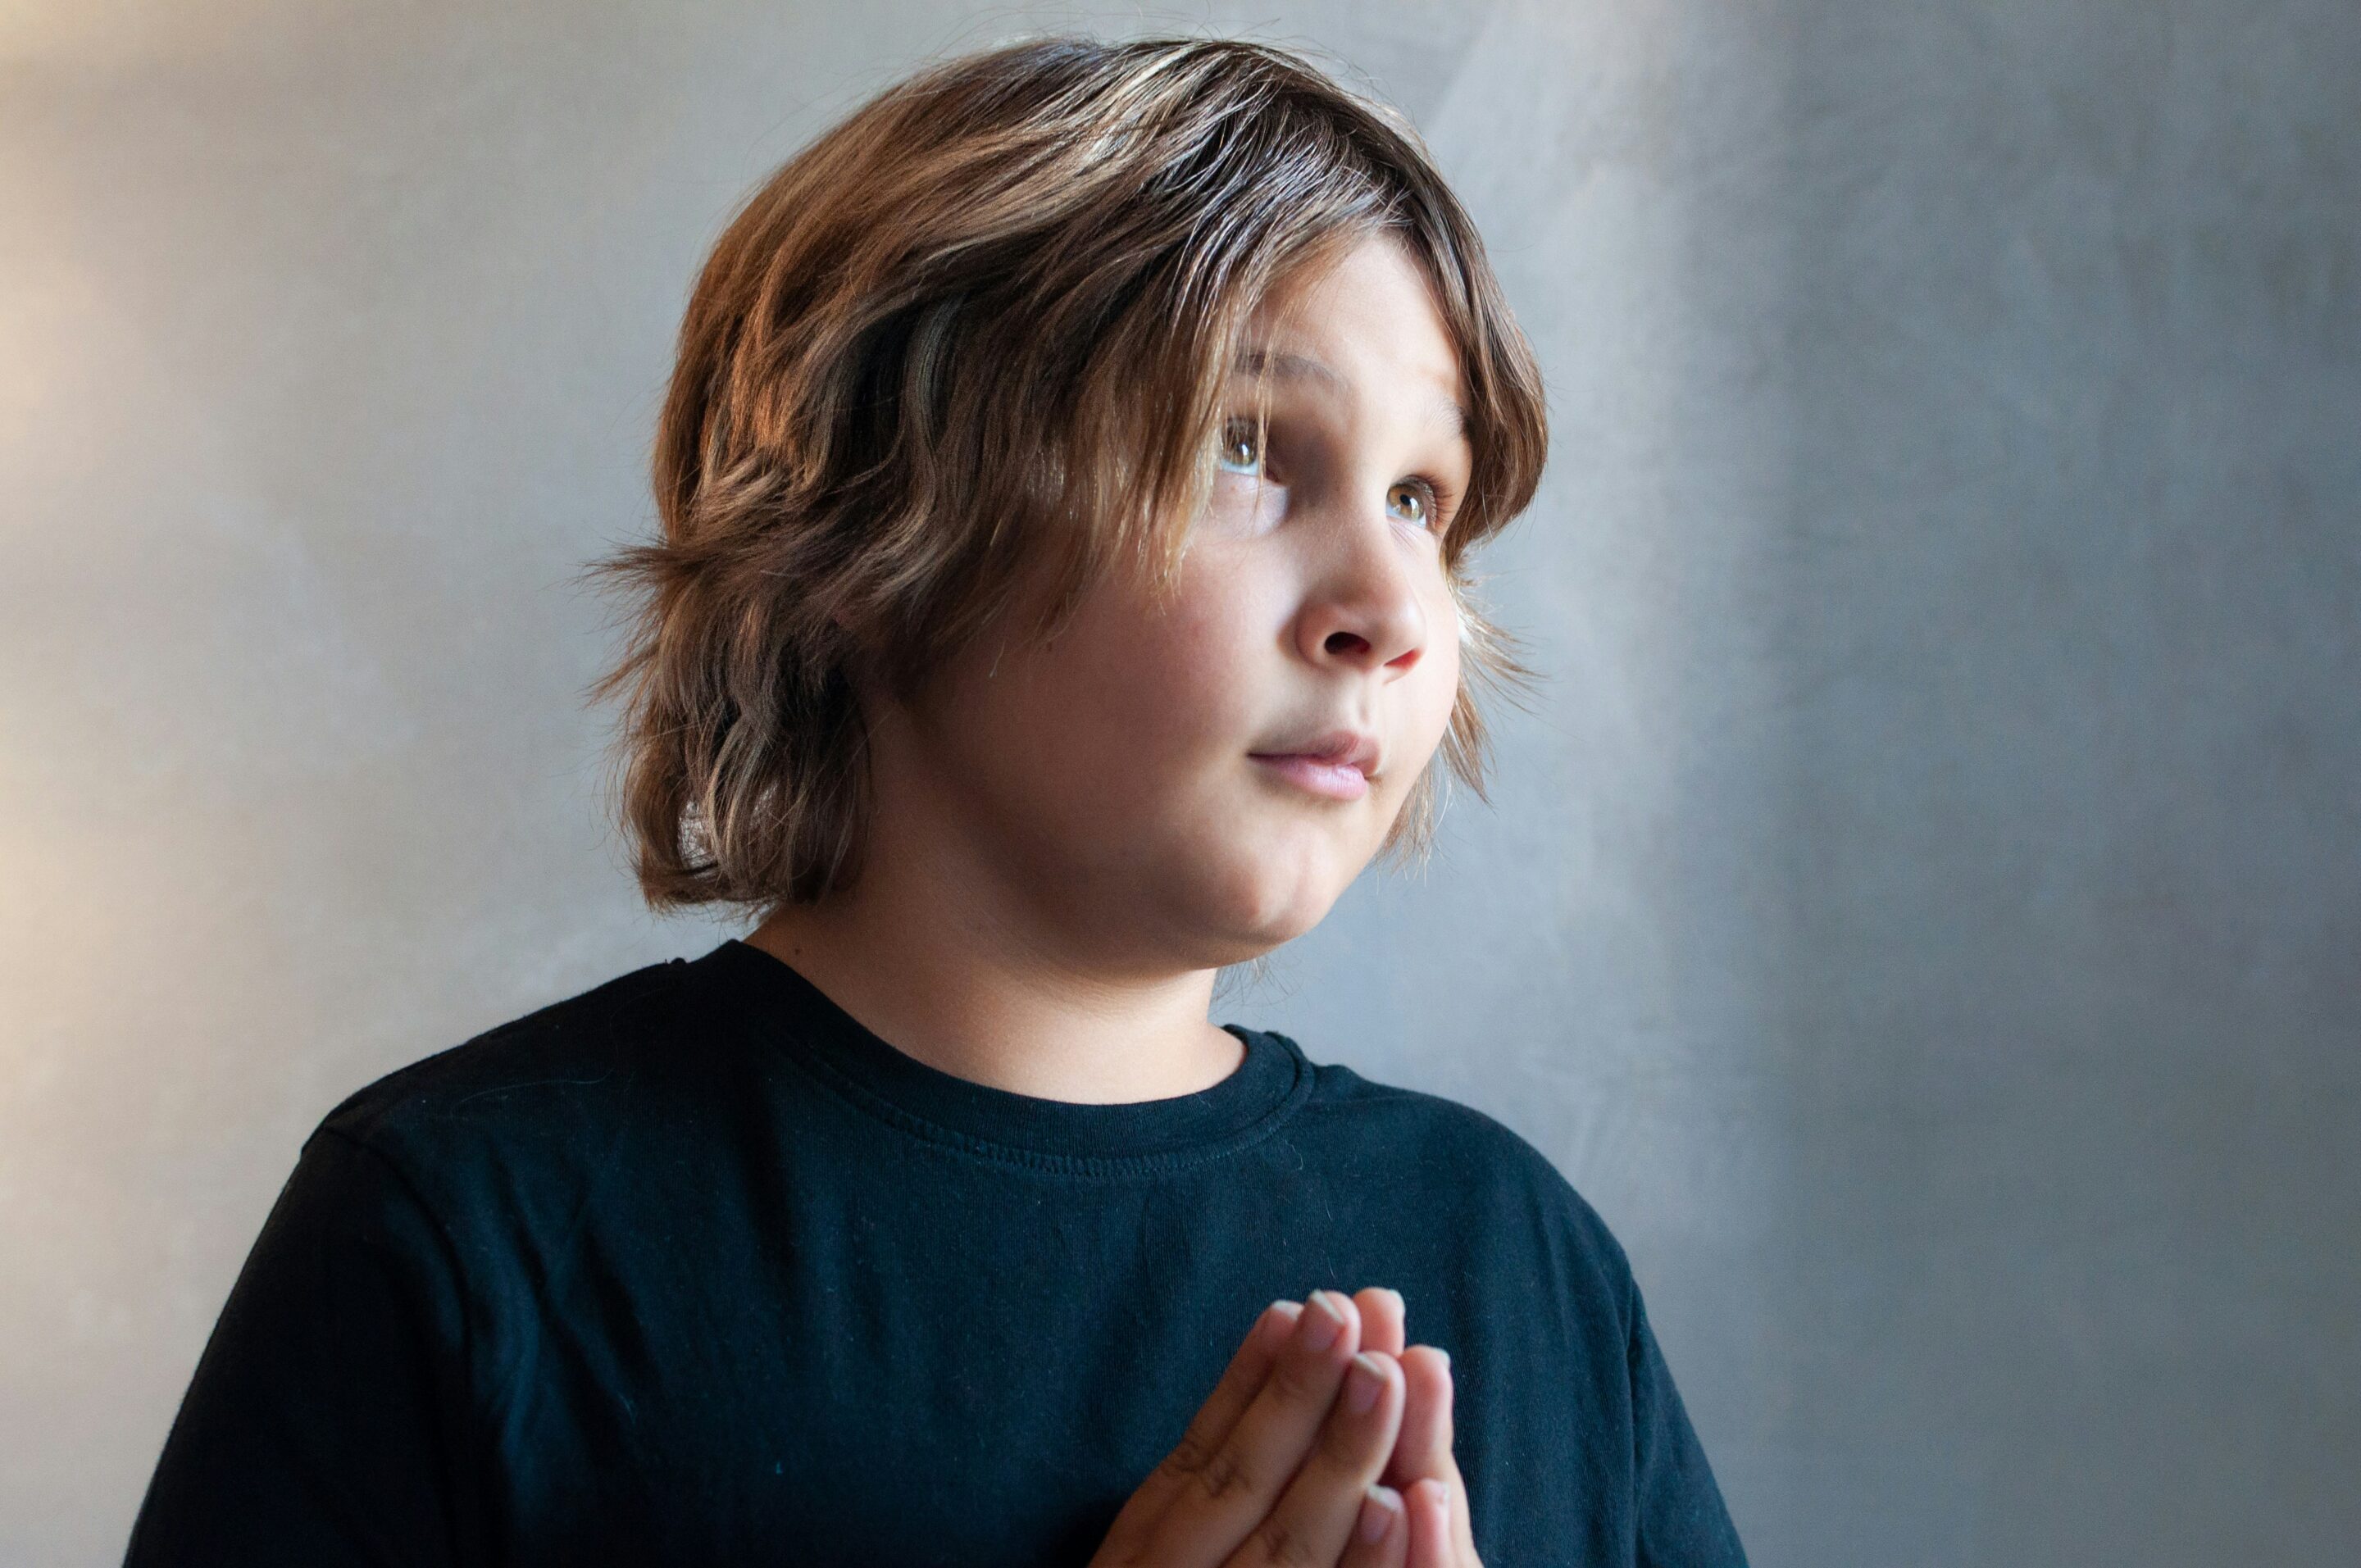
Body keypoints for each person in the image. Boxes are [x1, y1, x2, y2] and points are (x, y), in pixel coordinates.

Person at [125, 34, 1747, 1568]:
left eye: (1423, 497)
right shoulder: (468, 1235)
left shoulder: (1519, 1258)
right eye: (1245, 446)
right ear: (872, 522)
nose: (1391, 606)